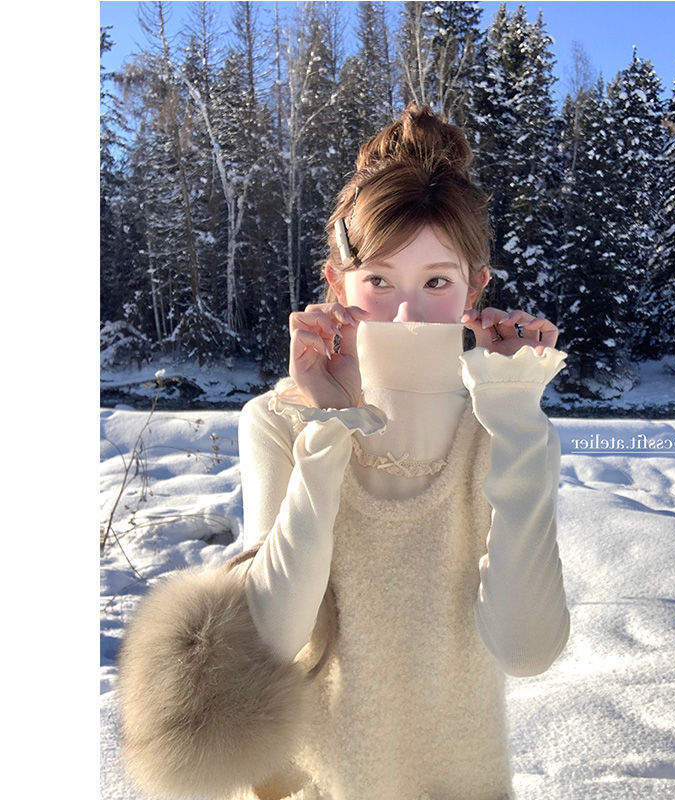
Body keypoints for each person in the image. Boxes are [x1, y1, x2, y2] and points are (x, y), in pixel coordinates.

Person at [117, 104, 570, 800]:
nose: (407, 313)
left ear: (475, 288)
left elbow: (526, 648)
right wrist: (328, 428)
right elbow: (274, 634)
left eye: (436, 282)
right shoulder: (279, 421)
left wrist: (514, 418)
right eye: (379, 281)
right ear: (338, 283)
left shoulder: (502, 429)